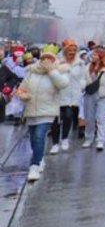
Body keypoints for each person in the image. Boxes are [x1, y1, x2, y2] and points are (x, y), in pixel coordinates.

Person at [16, 49, 68, 182]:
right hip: (31, 110)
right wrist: (22, 94)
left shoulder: (59, 71)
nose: (46, 61)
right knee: (34, 139)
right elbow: (22, 87)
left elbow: (62, 84)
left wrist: (51, 71)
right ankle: (39, 157)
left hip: (48, 111)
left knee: (39, 136)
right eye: (44, 58)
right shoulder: (31, 72)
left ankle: (34, 165)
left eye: (49, 59)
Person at [49, 38, 86, 153]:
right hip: (58, 93)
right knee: (55, 119)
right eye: (70, 50)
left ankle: (64, 138)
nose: (72, 52)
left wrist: (81, 85)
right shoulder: (57, 61)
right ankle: (55, 143)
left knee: (68, 116)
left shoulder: (80, 63)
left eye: (74, 50)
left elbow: (83, 77)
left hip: (73, 94)